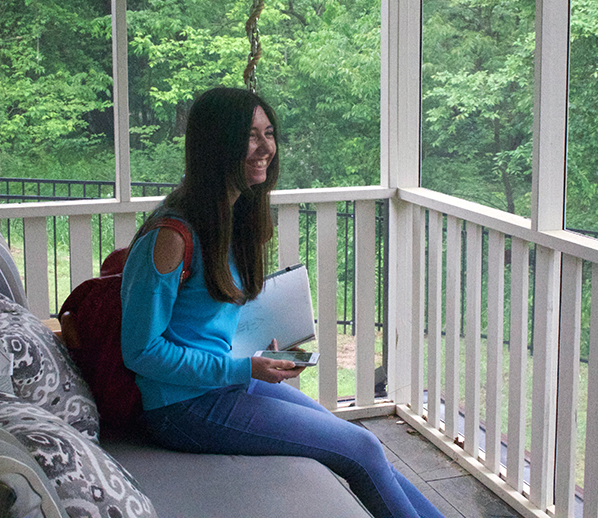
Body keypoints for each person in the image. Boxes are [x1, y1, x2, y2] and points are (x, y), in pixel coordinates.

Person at [120, 87, 443, 518]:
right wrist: (242, 368)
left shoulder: (232, 219)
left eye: (268, 133)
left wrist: (254, 357)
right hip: (182, 408)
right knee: (360, 445)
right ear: (217, 144)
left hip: (224, 383)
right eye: (250, 136)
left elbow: (202, 326)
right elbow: (141, 351)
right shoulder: (171, 236)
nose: (265, 148)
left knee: (365, 447)